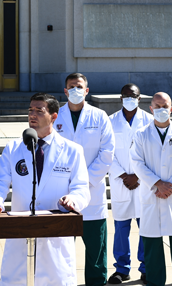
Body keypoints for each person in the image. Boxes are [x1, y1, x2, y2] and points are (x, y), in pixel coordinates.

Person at [0, 92, 91, 286]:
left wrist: (74, 199)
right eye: (30, 110)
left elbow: (81, 187)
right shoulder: (14, 148)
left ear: (54, 116)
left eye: (39, 111)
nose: (32, 115)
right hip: (19, 232)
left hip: (55, 234)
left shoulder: (72, 150)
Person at [53, 73, 115, 286]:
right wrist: (68, 185)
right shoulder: (55, 117)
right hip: (62, 193)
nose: (75, 90)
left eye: (79, 86)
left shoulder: (100, 116)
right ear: (65, 91)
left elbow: (107, 152)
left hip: (92, 192)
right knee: (61, 250)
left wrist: (83, 182)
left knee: (96, 250)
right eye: (71, 86)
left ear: (87, 90)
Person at [130, 92, 172, 286]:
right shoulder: (141, 134)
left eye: (164, 106)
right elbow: (137, 163)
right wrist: (157, 184)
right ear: (151, 109)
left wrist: (168, 187)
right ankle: (155, 282)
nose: (161, 110)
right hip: (152, 195)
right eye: (157, 106)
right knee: (152, 246)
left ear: (171, 108)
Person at [107, 83, 154, 285]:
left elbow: (153, 153)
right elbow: (106, 152)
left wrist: (137, 175)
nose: (129, 98)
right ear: (120, 98)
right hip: (120, 182)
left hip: (142, 182)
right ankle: (121, 269)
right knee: (121, 228)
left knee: (145, 227)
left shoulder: (150, 121)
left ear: (139, 98)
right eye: (126, 95)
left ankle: (145, 268)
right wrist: (123, 175)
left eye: (133, 96)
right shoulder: (110, 121)